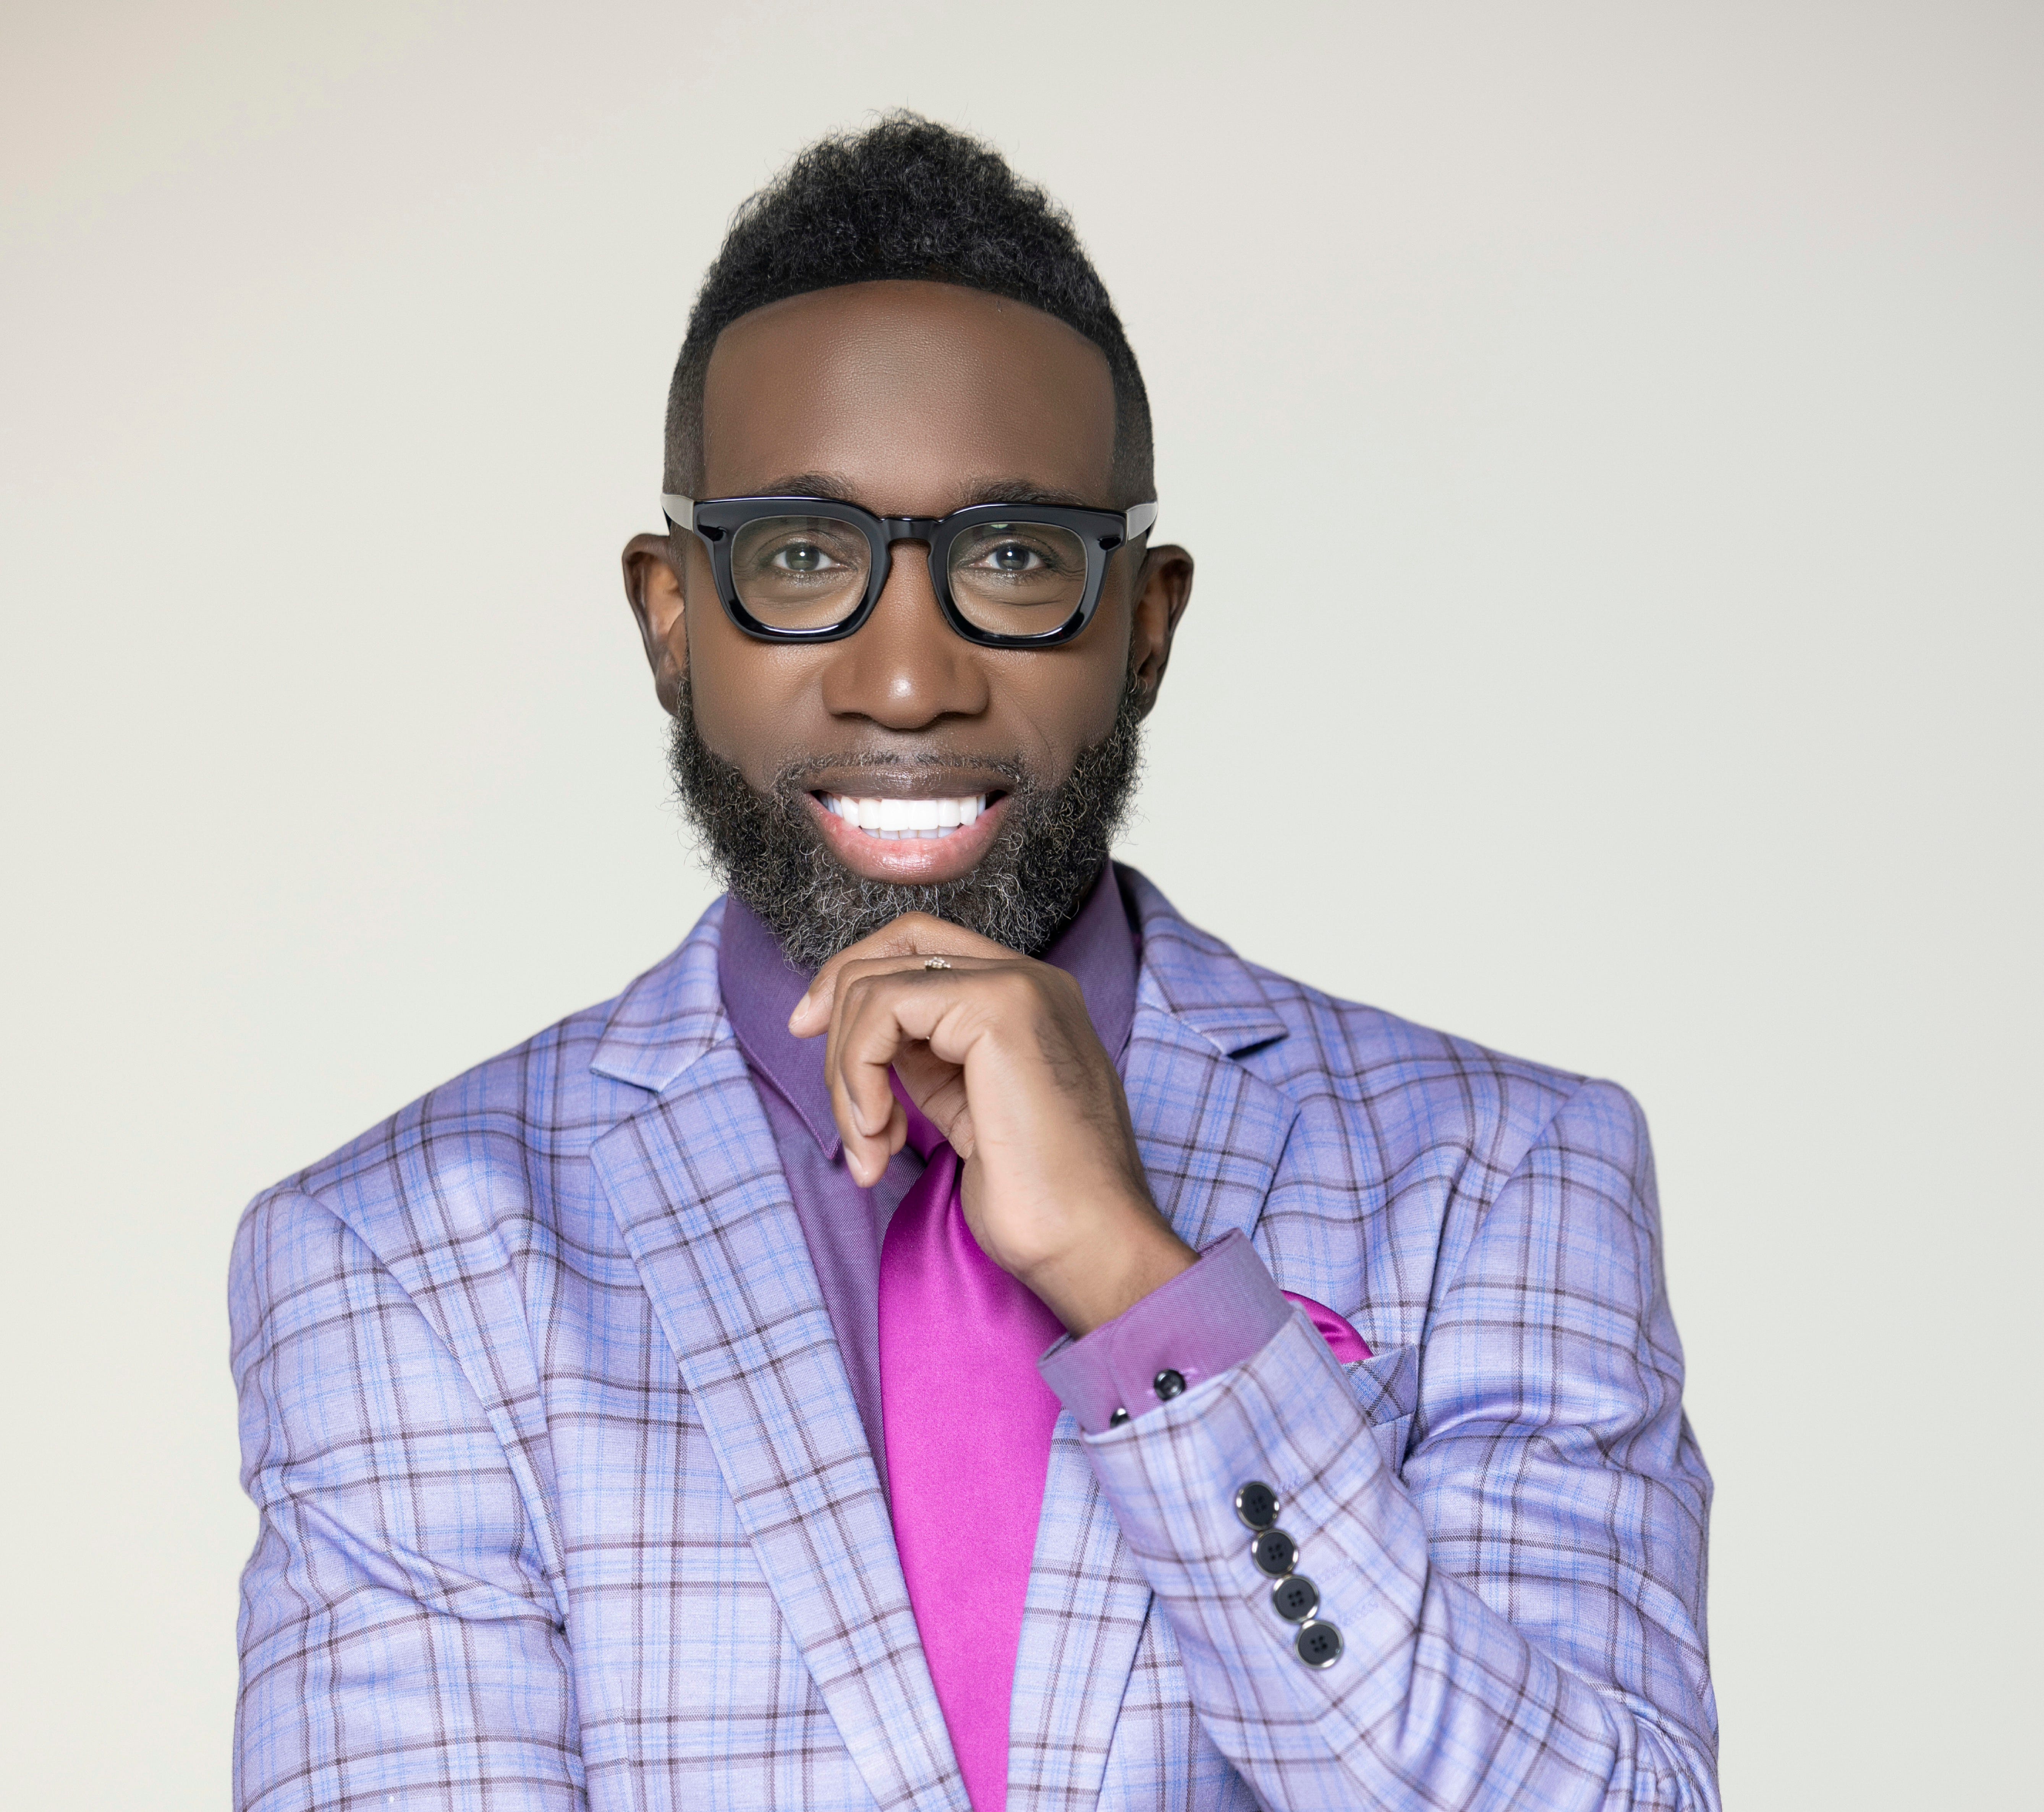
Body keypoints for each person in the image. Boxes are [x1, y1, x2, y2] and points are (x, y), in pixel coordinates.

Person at [230, 115, 1717, 1812]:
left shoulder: (1505, 1178)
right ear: (670, 617)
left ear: (1145, 625)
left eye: (1014, 559)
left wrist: (1142, 1287)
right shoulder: (402, 1258)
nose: (909, 679)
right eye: (802, 558)